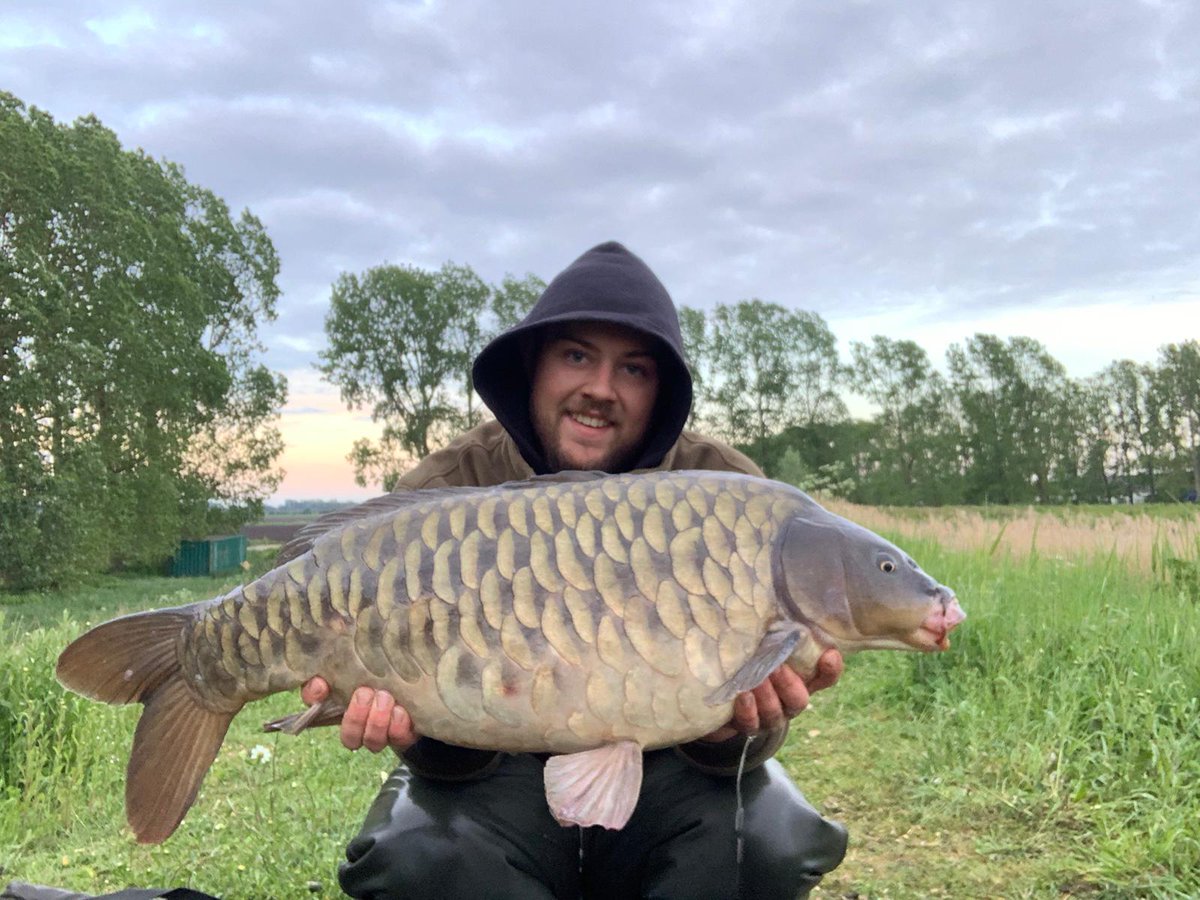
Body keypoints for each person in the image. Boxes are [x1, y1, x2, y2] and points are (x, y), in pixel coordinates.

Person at [294, 241, 848, 899]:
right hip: (494, 766)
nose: (600, 389)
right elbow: (438, 745)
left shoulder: (729, 494)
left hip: (670, 763)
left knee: (770, 842)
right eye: (577, 355)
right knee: (417, 858)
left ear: (662, 391)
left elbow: (752, 726)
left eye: (635, 370)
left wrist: (737, 734)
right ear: (533, 366)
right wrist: (418, 731)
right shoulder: (447, 489)